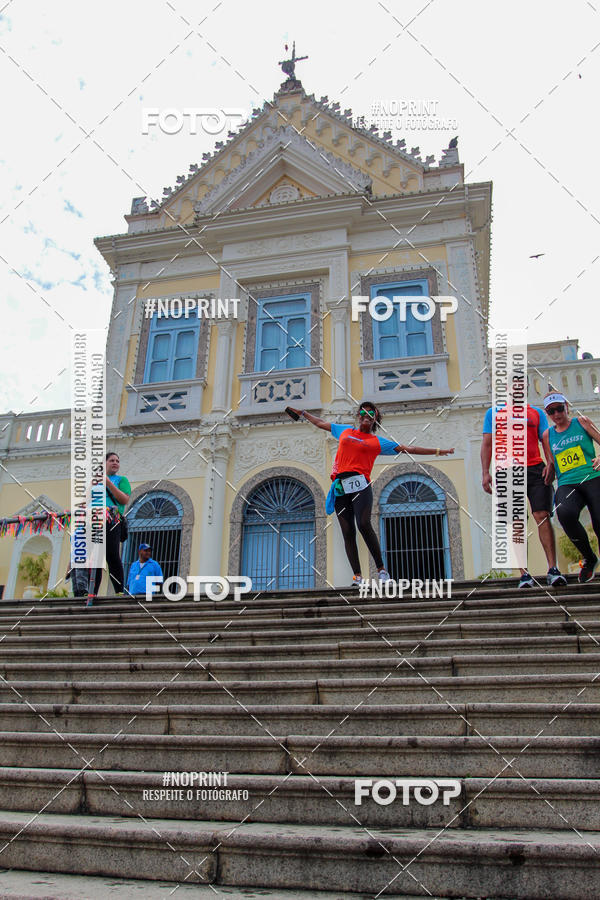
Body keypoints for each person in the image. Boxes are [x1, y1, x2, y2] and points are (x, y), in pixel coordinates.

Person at [288, 401, 454, 586]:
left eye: (371, 413)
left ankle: (382, 571)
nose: (366, 415)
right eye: (363, 412)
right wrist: (304, 413)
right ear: (358, 416)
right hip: (341, 487)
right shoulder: (344, 431)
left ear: (375, 419)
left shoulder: (377, 442)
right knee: (347, 532)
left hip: (360, 486)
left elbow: (410, 449)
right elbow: (320, 423)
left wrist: (439, 451)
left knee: (364, 523)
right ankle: (357, 577)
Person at [481, 401, 567, 588]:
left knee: (542, 516)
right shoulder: (493, 413)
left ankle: (553, 569)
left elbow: (545, 440)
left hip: (536, 469)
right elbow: (487, 444)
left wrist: (550, 464)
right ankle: (524, 574)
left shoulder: (536, 412)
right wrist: (485, 472)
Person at [541, 392, 600, 583]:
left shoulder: (581, 422)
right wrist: (546, 475)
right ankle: (589, 558)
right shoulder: (548, 435)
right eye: (551, 411)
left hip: (592, 477)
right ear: (547, 413)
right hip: (567, 482)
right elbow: (551, 463)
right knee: (564, 513)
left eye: (559, 408)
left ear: (566, 406)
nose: (557, 414)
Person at [90, 451, 131, 596]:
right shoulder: (94, 482)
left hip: (112, 520)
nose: (115, 463)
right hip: (95, 521)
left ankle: (119, 591)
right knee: (96, 557)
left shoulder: (121, 480)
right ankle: (92, 592)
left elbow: (124, 500)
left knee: (112, 555)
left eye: (117, 461)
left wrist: (108, 483)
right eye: (112, 460)